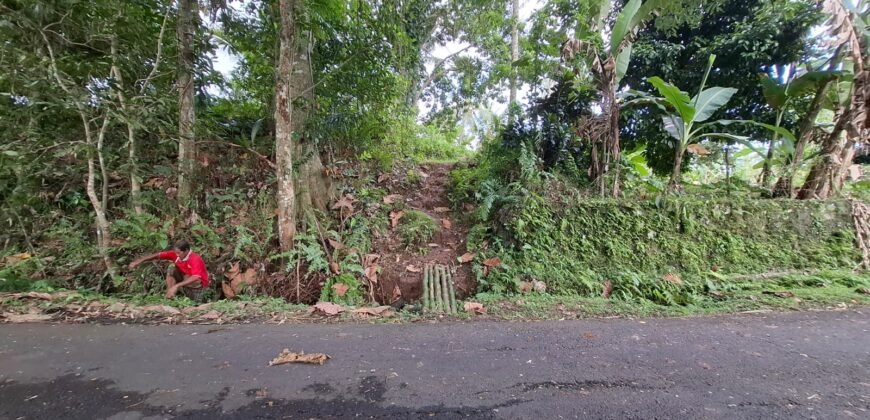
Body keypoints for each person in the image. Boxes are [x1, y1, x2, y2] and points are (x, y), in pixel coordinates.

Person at [129, 240, 210, 299]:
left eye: (179, 253)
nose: (177, 255)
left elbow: (196, 277)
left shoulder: (195, 258)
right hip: (185, 282)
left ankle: (175, 290)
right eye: (176, 253)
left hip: (199, 286)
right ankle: (169, 295)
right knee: (171, 267)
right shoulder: (176, 255)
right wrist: (139, 261)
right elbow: (158, 255)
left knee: (193, 280)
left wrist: (176, 286)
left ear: (186, 251)